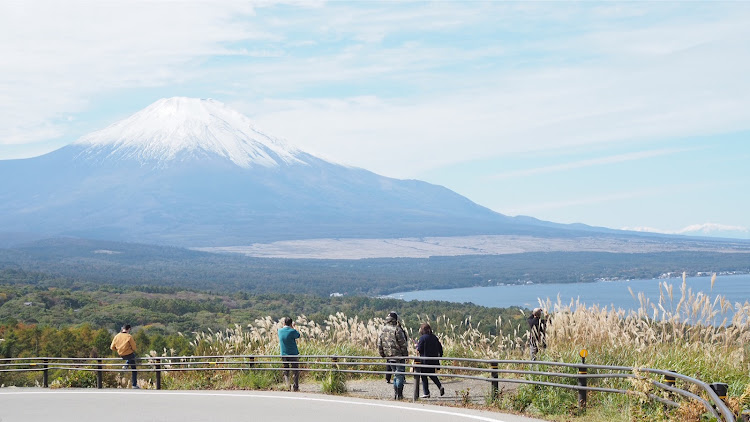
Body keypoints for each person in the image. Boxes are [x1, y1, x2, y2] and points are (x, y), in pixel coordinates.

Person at [377, 311, 408, 400]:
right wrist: (405, 355)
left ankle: (395, 394)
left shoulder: (383, 329)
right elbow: (403, 344)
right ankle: (399, 394)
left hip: (389, 356)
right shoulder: (397, 329)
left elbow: (380, 343)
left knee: (395, 374)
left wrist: (382, 354)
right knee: (399, 375)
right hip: (398, 356)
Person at [416, 322, 444, 398]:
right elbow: (440, 348)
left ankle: (426, 392)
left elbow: (419, 349)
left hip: (425, 361)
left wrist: (417, 346)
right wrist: (440, 356)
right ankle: (440, 386)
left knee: (424, 376)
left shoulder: (422, 338)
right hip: (433, 360)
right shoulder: (434, 337)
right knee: (432, 375)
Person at [110, 324, 139, 389]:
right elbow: (134, 347)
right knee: (134, 368)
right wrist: (130, 350)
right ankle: (134, 384)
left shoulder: (117, 336)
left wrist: (118, 349)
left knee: (130, 358)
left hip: (121, 354)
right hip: (129, 354)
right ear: (128, 329)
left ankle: (126, 364)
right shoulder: (129, 336)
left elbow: (112, 347)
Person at [278, 317, 301, 391]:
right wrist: (293, 327)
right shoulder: (292, 331)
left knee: (286, 370)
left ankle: (287, 385)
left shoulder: (279, 331)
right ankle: (295, 386)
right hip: (293, 354)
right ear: (291, 323)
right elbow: (298, 335)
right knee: (295, 371)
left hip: (284, 353)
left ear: (284, 323)